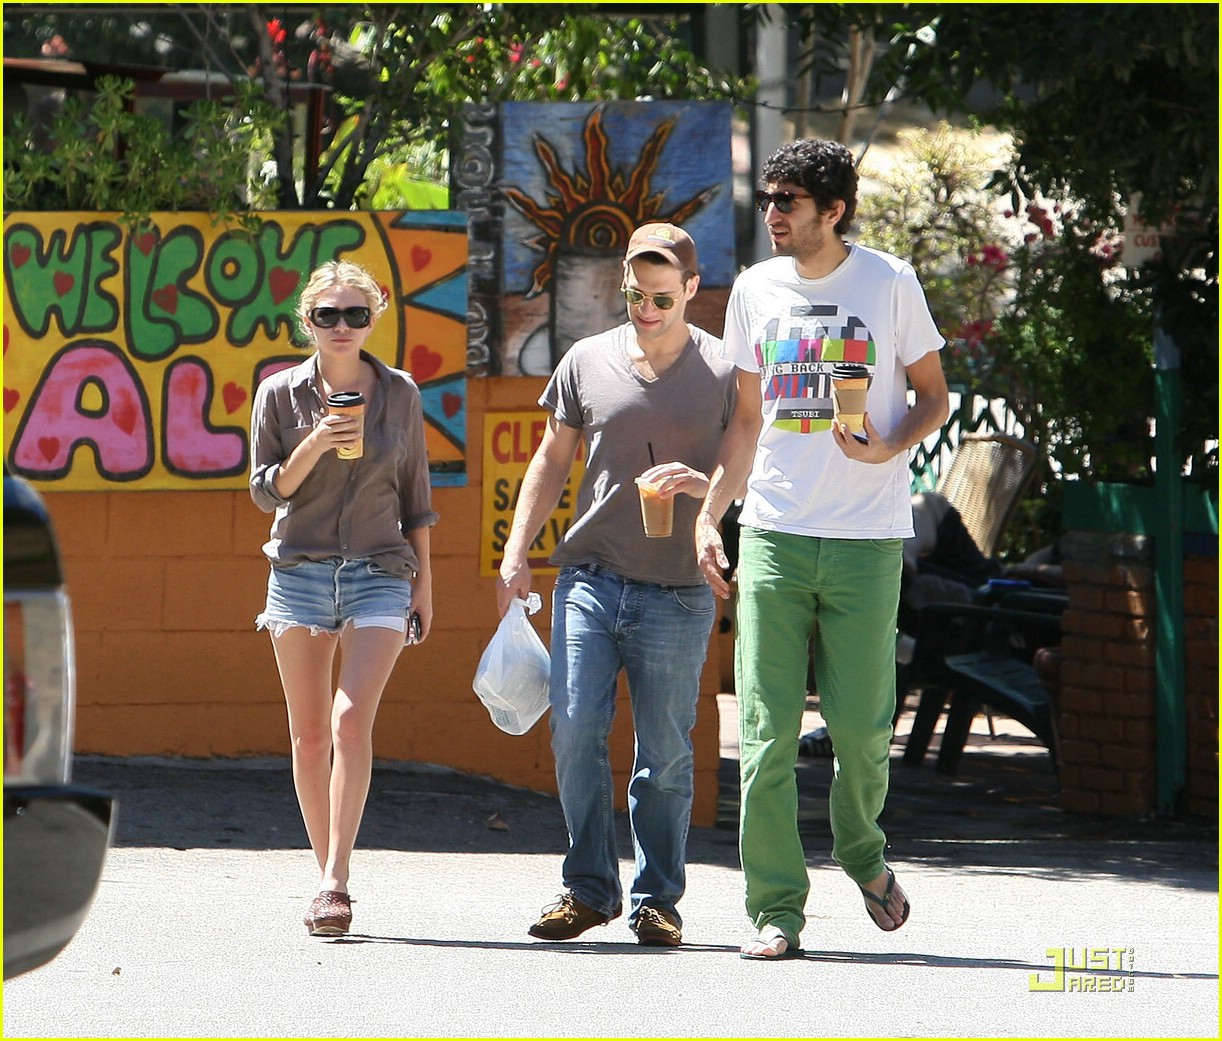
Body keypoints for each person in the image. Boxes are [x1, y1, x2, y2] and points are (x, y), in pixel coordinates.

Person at [694, 139, 950, 959]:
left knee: (861, 727)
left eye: (789, 201)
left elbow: (933, 396)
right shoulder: (755, 289)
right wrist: (711, 514)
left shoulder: (888, 282)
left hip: (867, 538)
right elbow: (744, 419)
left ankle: (862, 852)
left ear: (832, 210)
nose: (772, 213)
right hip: (772, 531)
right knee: (765, 731)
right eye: (769, 198)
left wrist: (886, 449)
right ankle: (776, 909)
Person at [496, 223, 736, 948]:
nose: (647, 307)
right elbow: (550, 458)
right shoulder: (586, 361)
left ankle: (657, 897)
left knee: (664, 751)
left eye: (663, 295)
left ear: (692, 290)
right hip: (590, 578)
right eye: (636, 293)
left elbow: (753, 462)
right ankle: (587, 887)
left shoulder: (729, 372)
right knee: (573, 729)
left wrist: (708, 491)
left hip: (678, 588)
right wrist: (516, 550)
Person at [250, 260, 437, 936]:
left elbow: (417, 496)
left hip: (380, 569)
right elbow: (266, 489)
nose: (341, 326)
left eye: (355, 314)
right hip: (297, 569)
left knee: (349, 722)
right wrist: (316, 442)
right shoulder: (279, 394)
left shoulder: (401, 394)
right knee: (306, 734)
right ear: (308, 321)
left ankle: (336, 880)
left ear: (374, 316)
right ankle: (322, 867)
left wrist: (426, 582)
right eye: (327, 314)